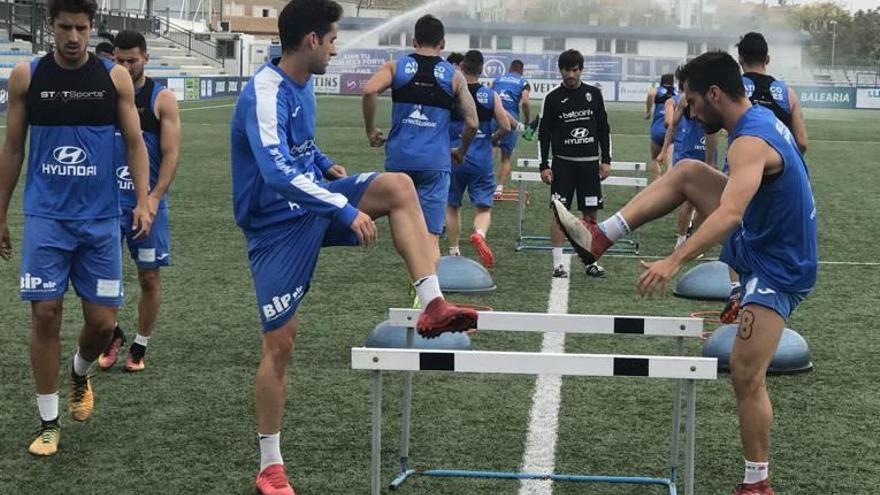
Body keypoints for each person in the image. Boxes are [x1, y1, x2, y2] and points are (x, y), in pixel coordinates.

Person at [229, 2, 478, 493]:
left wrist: (324, 165)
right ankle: (270, 464)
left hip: (311, 198)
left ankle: (432, 304)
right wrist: (343, 209)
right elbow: (277, 171)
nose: (337, 47)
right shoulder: (264, 89)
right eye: (334, 39)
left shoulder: (302, 84)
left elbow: (298, 146)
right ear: (310, 41)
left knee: (399, 186)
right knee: (281, 341)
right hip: (274, 225)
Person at [553, 51, 817, 495]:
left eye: (693, 102)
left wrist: (673, 261)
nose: (690, 112)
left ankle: (758, 483)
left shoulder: (749, 141)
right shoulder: (752, 121)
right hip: (760, 235)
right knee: (689, 171)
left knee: (745, 372)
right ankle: (599, 238)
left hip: (779, 265)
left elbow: (730, 214)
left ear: (715, 94)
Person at [0, 0, 153, 456]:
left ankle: (79, 372)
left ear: (92, 29)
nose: (73, 36)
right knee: (45, 313)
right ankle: (49, 421)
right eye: (65, 27)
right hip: (47, 219)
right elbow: (12, 149)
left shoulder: (113, 77)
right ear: (50, 27)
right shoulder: (28, 76)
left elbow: (134, 143)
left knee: (103, 325)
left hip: (101, 221)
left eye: (81, 28)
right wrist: (1, 213)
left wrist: (144, 200)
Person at [97, 30, 181, 372]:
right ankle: (111, 334)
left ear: (145, 58)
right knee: (102, 281)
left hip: (145, 205)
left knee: (148, 278)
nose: (126, 66)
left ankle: (139, 346)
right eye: (119, 60)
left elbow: (171, 154)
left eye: (132, 60)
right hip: (104, 205)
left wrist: (154, 198)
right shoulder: (102, 97)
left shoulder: (161, 99)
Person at [362, 14, 478, 258]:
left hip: (399, 161)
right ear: (443, 43)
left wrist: (371, 131)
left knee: (403, 227)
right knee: (431, 235)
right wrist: (460, 151)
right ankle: (425, 290)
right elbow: (473, 123)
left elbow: (370, 90)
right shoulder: (454, 76)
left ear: (414, 41)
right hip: (434, 164)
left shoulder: (396, 67)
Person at [722, 31, 810, 323]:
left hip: (739, 170)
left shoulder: (735, 89)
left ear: (740, 59)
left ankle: (737, 288)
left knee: (734, 225)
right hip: (776, 177)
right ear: (768, 59)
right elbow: (802, 142)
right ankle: (762, 298)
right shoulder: (786, 92)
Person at [538, 49, 612, 279]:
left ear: (581, 69)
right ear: (560, 70)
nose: (571, 74)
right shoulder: (552, 98)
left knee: (590, 215)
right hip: (563, 165)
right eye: (566, 70)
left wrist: (606, 160)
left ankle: (590, 262)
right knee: (560, 214)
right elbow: (543, 135)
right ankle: (558, 263)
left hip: (589, 165)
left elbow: (604, 129)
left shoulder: (594, 94)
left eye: (575, 69)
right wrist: (543, 165)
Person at [445, 50, 510, 268]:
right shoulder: (491, 95)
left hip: (454, 155)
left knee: (452, 205)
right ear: (482, 69)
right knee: (483, 208)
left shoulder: (451, 93)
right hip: (481, 159)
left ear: (461, 67)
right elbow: (506, 126)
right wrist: (493, 139)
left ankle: (454, 252)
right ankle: (479, 234)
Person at [659, 71, 718, 250]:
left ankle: (695, 240)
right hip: (687, 153)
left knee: (703, 202)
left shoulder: (710, 100)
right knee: (689, 200)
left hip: (705, 153)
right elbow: (672, 126)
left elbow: (713, 131)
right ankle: (682, 240)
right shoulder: (684, 101)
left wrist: (710, 160)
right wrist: (663, 151)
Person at [491, 59, 531, 196]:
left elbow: (490, 95)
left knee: (491, 147)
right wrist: (526, 119)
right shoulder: (523, 82)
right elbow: (525, 101)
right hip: (510, 118)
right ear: (521, 70)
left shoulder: (497, 79)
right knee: (506, 157)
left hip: (493, 115)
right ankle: (499, 188)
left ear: (509, 68)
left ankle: (485, 182)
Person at [645, 74, 676, 181]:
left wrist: (648, 111)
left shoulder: (658, 90)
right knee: (670, 164)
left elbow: (650, 93)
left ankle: (656, 184)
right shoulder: (677, 94)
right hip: (672, 131)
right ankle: (670, 187)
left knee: (654, 158)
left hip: (657, 130)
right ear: (673, 82)